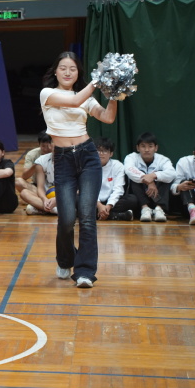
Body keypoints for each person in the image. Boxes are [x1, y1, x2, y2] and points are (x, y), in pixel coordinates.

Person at [40, 51, 118, 288]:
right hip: (63, 159)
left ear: (78, 73)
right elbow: (74, 102)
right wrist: (98, 80)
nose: (67, 72)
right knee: (66, 219)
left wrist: (115, 94)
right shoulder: (48, 93)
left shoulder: (85, 97)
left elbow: (107, 117)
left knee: (86, 217)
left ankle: (85, 272)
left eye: (72, 69)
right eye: (63, 68)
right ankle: (66, 260)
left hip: (88, 156)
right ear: (56, 71)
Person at [123, 132, 175, 222]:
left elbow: (172, 173)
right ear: (138, 148)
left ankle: (159, 209)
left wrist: (154, 175)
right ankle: (145, 209)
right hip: (139, 198)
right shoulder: (131, 157)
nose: (147, 150)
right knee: (136, 176)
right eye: (143, 146)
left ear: (156, 148)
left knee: (165, 177)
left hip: (158, 195)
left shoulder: (163, 159)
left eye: (150, 146)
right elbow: (129, 170)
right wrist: (149, 181)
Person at [95, 136, 136, 221]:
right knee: (78, 199)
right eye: (98, 151)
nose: (101, 154)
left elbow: (118, 189)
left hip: (112, 202)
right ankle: (117, 216)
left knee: (133, 200)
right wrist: (99, 205)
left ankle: (101, 214)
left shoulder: (118, 166)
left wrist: (108, 206)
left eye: (104, 151)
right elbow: (88, 190)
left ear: (111, 154)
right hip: (94, 202)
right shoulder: (88, 166)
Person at [15, 131, 53, 196]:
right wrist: (37, 164)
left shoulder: (57, 154)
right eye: (43, 146)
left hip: (54, 186)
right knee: (18, 182)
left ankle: (39, 199)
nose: (46, 149)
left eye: (48, 146)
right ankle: (43, 197)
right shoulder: (32, 154)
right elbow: (24, 177)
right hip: (38, 186)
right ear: (39, 144)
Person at [19, 151, 57, 216]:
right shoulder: (41, 160)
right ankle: (55, 210)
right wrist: (44, 199)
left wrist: (57, 199)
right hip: (47, 195)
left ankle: (41, 208)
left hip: (64, 196)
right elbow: (40, 187)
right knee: (24, 193)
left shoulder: (72, 159)